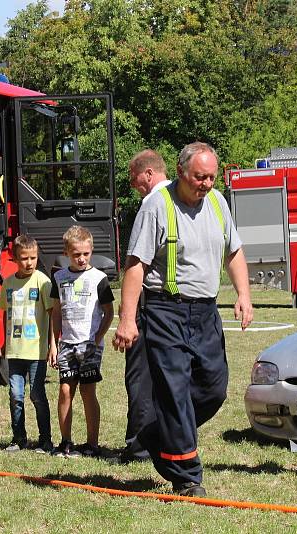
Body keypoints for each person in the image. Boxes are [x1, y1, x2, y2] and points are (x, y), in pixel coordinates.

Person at [113, 142, 253, 497]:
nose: (205, 184)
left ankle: (157, 435)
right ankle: (186, 475)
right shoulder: (157, 206)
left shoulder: (219, 203)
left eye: (210, 177)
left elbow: (234, 251)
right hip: (165, 310)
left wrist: (244, 295)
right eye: (198, 177)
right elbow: (135, 266)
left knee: (214, 387)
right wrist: (127, 320)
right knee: (174, 392)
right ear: (180, 173)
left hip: (205, 311)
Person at [115, 149, 173, 464]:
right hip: (178, 306)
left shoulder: (152, 203)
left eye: (134, 178)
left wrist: (128, 317)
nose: (133, 184)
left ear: (148, 173)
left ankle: (139, 444)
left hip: (151, 303)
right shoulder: (181, 201)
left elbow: (136, 264)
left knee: (140, 376)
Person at [49, 225, 115, 458]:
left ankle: (92, 443)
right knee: (66, 391)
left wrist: (97, 339)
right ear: (67, 252)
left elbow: (109, 312)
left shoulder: (99, 278)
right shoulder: (58, 277)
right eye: (76, 254)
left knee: (88, 391)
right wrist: (53, 344)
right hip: (66, 344)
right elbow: (56, 312)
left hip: (90, 345)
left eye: (86, 254)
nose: (81, 258)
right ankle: (65, 441)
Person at [0, 235, 56, 453]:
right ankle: (19, 438)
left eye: (33, 258)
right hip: (15, 351)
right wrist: (4, 341)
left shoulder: (43, 281)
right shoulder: (8, 283)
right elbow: (7, 314)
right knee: (15, 395)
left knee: (37, 395)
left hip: (37, 351)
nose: (29, 262)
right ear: (14, 258)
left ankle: (45, 439)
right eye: (24, 258)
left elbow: (52, 315)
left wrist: (53, 345)